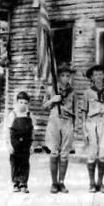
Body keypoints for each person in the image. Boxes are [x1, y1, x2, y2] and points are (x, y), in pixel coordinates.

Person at [42, 62, 76, 194]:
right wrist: (52, 100)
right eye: (62, 75)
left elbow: (76, 110)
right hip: (54, 122)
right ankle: (54, 183)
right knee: (54, 152)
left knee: (64, 154)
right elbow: (43, 106)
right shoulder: (51, 90)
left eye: (68, 75)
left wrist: (76, 126)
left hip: (67, 122)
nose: (65, 78)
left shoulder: (72, 92)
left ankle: (61, 182)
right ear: (58, 76)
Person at [83, 64, 104, 193]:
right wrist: (84, 127)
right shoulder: (88, 92)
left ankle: (100, 183)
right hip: (91, 122)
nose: (98, 77)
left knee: (103, 153)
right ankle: (91, 183)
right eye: (95, 75)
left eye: (100, 74)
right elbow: (84, 111)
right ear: (92, 77)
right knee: (92, 152)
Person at [5, 91, 35, 193]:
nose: (23, 105)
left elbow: (32, 131)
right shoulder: (12, 114)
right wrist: (9, 144)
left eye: (25, 103)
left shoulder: (30, 115)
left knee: (25, 163)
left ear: (28, 104)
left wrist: (32, 145)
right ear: (17, 102)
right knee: (15, 163)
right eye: (21, 102)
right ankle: (15, 183)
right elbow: (7, 131)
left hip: (26, 144)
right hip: (15, 143)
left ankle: (23, 183)